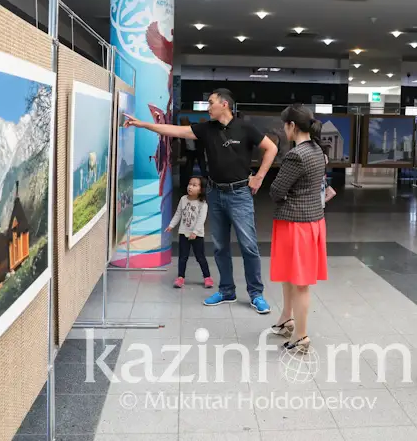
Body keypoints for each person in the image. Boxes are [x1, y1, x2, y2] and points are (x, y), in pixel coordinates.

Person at [124, 88, 278, 313]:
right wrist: (143, 124)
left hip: (239, 195)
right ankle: (227, 290)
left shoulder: (245, 128)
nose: (208, 107)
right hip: (215, 194)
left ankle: (256, 294)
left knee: (248, 246)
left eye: (211, 103)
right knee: (220, 246)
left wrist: (259, 177)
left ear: (224, 104)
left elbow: (271, 148)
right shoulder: (206, 129)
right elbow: (174, 130)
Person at [268, 104, 328, 353]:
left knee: (299, 281)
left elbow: (276, 191)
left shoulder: (296, 155)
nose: (284, 129)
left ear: (292, 126)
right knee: (289, 275)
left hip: (295, 224)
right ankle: (286, 319)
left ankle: (301, 336)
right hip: (312, 221)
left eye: (285, 125)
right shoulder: (317, 150)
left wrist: (284, 195)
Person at [166, 176, 212, 289]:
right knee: (183, 256)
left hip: (197, 235)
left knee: (200, 257)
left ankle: (207, 277)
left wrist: (195, 232)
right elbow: (178, 214)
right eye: (189, 184)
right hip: (184, 233)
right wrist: (171, 225)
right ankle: (180, 277)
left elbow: (201, 219)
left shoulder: (203, 204)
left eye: (194, 185)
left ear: (201, 189)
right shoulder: (183, 199)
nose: (190, 187)